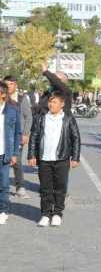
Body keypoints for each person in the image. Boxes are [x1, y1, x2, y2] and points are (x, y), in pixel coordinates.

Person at [27, 91, 81, 227]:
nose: (51, 104)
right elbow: (34, 136)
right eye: (50, 102)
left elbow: (76, 138)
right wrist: (31, 155)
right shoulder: (41, 118)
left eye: (55, 102)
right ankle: (45, 214)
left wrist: (75, 157)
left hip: (62, 158)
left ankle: (57, 213)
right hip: (44, 159)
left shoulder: (68, 118)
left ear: (62, 104)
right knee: (45, 188)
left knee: (60, 188)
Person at [2, 75, 33, 199]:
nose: (8, 86)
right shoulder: (1, 97)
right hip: (2, 134)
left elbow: (28, 117)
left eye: (10, 84)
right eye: (6, 84)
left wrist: (25, 133)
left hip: (16, 136)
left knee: (17, 162)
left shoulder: (22, 99)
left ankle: (20, 187)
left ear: (15, 85)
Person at [0, 82, 22, 225]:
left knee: (4, 183)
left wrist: (15, 153)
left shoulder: (13, 110)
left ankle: (3, 210)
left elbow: (16, 133)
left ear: (2, 94)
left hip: (4, 153)